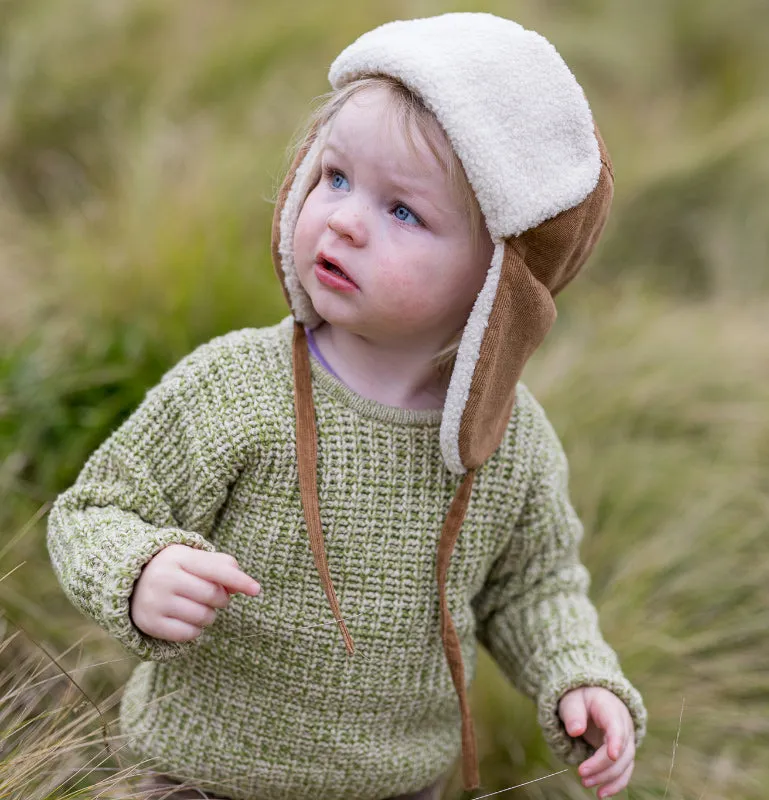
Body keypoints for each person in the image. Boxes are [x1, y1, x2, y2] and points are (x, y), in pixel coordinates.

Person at [46, 12, 647, 800]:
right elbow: (95, 508)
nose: (345, 220)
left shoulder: (507, 442)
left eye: (403, 211)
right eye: (334, 177)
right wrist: (138, 570)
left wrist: (576, 676)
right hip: (198, 779)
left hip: (396, 786)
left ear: (496, 281)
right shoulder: (234, 386)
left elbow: (532, 586)